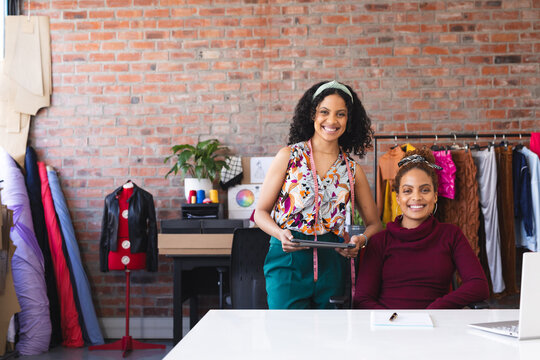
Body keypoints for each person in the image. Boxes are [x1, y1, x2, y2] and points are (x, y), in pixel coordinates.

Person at [254, 80, 383, 309]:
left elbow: (374, 224)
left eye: (340, 114)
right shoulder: (289, 156)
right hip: (288, 261)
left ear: (348, 121)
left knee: (328, 339)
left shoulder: (353, 170)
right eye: (324, 112)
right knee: (287, 338)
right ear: (312, 114)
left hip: (332, 263)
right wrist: (280, 233)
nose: (332, 121)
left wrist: (360, 241)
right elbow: (260, 213)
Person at [353, 149, 489, 309]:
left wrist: (435, 309)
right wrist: (392, 321)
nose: (416, 197)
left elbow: (479, 286)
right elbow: (362, 299)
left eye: (425, 190)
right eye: (407, 191)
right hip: (390, 327)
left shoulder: (451, 235)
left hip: (436, 326)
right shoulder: (379, 241)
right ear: (398, 197)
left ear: (435, 195)